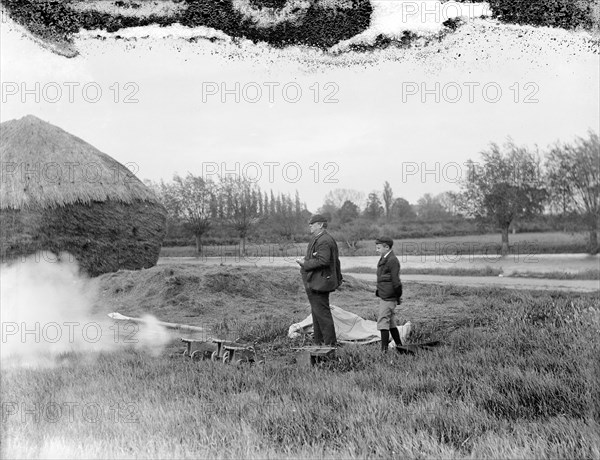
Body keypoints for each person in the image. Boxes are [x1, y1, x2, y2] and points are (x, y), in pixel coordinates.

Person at [295, 214, 342, 346]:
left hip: (319, 283)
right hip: (315, 282)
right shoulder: (318, 238)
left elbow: (324, 261)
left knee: (323, 314)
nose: (310, 225)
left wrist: (304, 263)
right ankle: (319, 343)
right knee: (317, 313)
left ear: (320, 225)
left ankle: (330, 346)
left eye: (312, 223)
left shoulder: (324, 240)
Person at [374, 236, 403, 353]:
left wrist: (397, 296)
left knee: (382, 321)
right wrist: (379, 291)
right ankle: (400, 347)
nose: (377, 250)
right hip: (385, 295)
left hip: (389, 296)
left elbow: (396, 282)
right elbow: (383, 278)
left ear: (387, 247)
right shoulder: (384, 258)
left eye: (378, 247)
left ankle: (383, 351)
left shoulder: (392, 260)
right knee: (390, 322)